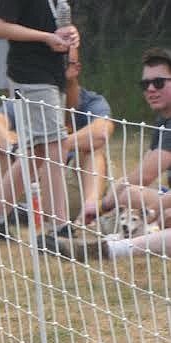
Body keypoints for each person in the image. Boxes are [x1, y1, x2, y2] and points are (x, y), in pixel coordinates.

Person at [0, 0, 79, 257]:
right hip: (31, 75)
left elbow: (55, 25)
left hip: (53, 75)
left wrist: (72, 34)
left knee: (38, 152)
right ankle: (58, 227)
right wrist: (45, 37)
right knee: (56, 145)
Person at [0, 45, 114, 228]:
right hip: (29, 179)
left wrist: (52, 146)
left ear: (75, 69)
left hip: (70, 183)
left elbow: (101, 133)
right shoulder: (30, 99)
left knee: (94, 152)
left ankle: (89, 211)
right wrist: (18, 149)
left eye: (60, 62)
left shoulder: (91, 102)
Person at [82, 47, 171, 255]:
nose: (150, 89)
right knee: (132, 195)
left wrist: (102, 206)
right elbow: (138, 175)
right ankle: (111, 232)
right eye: (145, 84)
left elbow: (144, 176)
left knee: (137, 198)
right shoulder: (163, 122)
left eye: (158, 83)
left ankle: (112, 246)